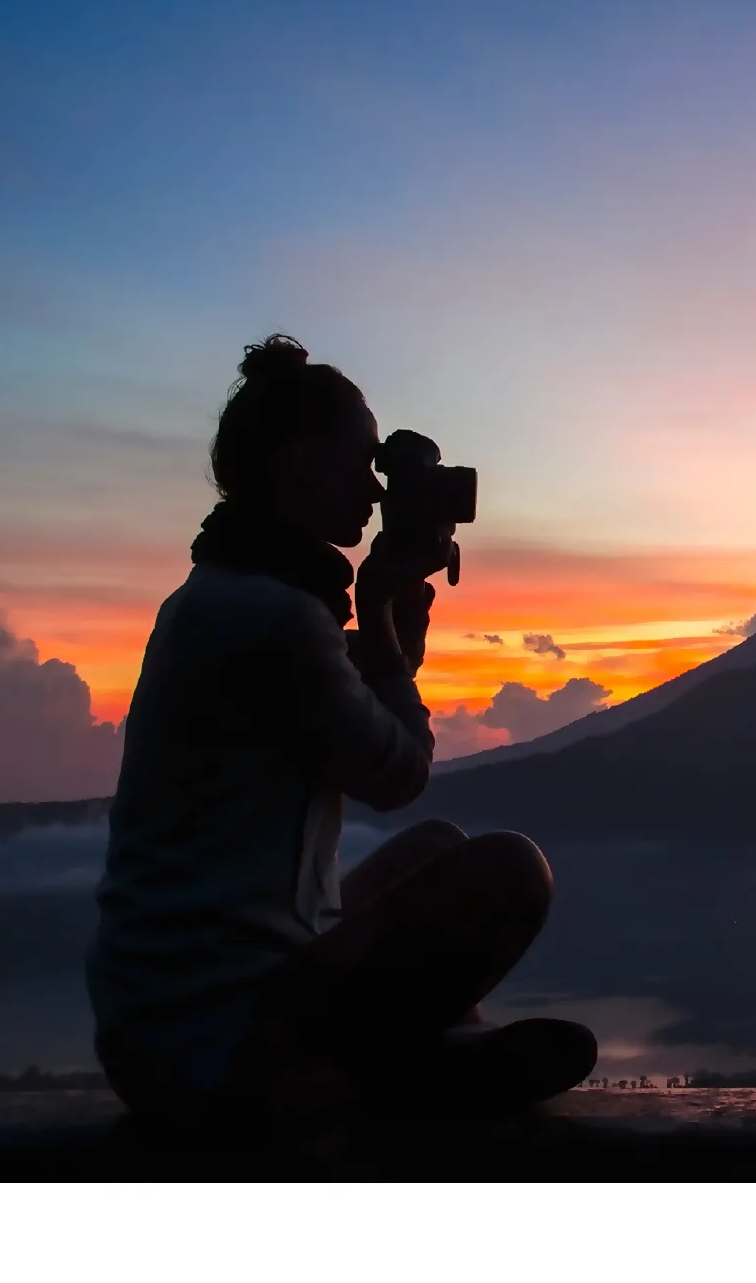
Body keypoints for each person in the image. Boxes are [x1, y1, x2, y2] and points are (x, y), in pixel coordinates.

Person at [86, 334, 597, 1131]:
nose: (373, 487)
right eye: (362, 462)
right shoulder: (271, 614)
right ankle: (408, 1065)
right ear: (297, 462)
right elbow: (396, 768)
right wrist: (383, 592)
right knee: (509, 871)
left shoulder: (232, 595)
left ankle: (437, 1047)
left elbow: (357, 699)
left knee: (435, 845)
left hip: (173, 1013)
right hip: (219, 1036)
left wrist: (393, 596)